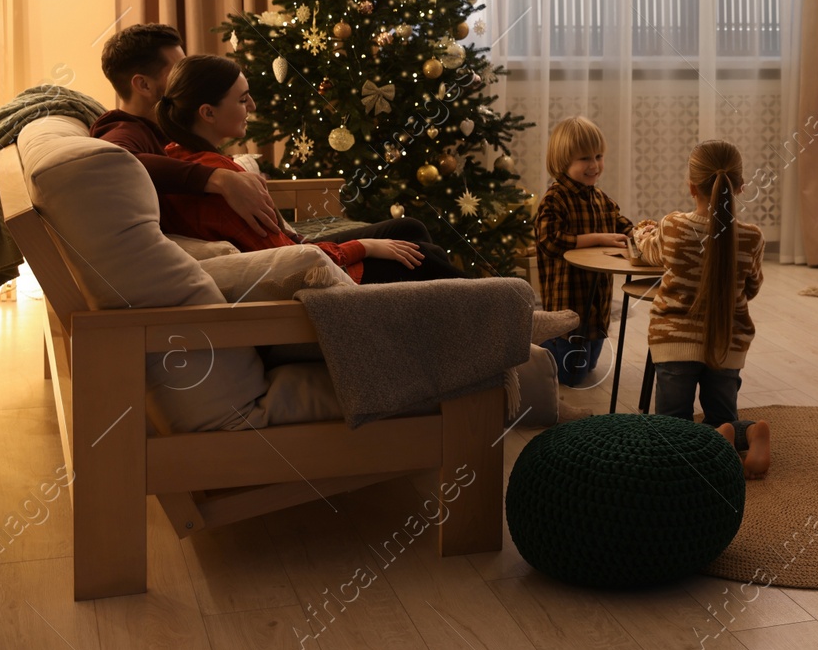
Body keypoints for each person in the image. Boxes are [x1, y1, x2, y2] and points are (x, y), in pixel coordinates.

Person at [153, 54, 465, 284]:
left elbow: (283, 245)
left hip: (296, 252)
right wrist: (365, 247)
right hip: (315, 282)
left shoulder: (181, 157)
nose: (252, 107)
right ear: (207, 112)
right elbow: (291, 263)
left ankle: (475, 308)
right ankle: (489, 308)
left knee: (407, 229)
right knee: (423, 257)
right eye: (243, 99)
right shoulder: (225, 187)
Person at [635, 140, 770, 479]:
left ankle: (708, 444)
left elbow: (652, 254)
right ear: (739, 187)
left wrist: (641, 234)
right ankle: (747, 433)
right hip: (727, 345)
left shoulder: (672, 226)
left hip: (674, 344)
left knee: (670, 428)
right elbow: (750, 288)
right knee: (723, 416)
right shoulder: (751, 237)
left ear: (691, 185)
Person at [93, 24, 281, 235]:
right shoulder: (124, 131)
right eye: (176, 71)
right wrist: (218, 178)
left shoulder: (174, 129)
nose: (188, 75)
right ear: (144, 85)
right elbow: (115, 162)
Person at [533, 116, 635, 385]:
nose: (594, 165)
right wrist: (595, 238)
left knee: (588, 366)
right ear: (562, 162)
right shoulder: (555, 198)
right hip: (569, 299)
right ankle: (538, 351)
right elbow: (549, 240)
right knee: (570, 375)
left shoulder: (601, 198)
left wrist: (640, 234)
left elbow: (622, 224)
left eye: (598, 156)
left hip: (598, 300)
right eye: (584, 159)